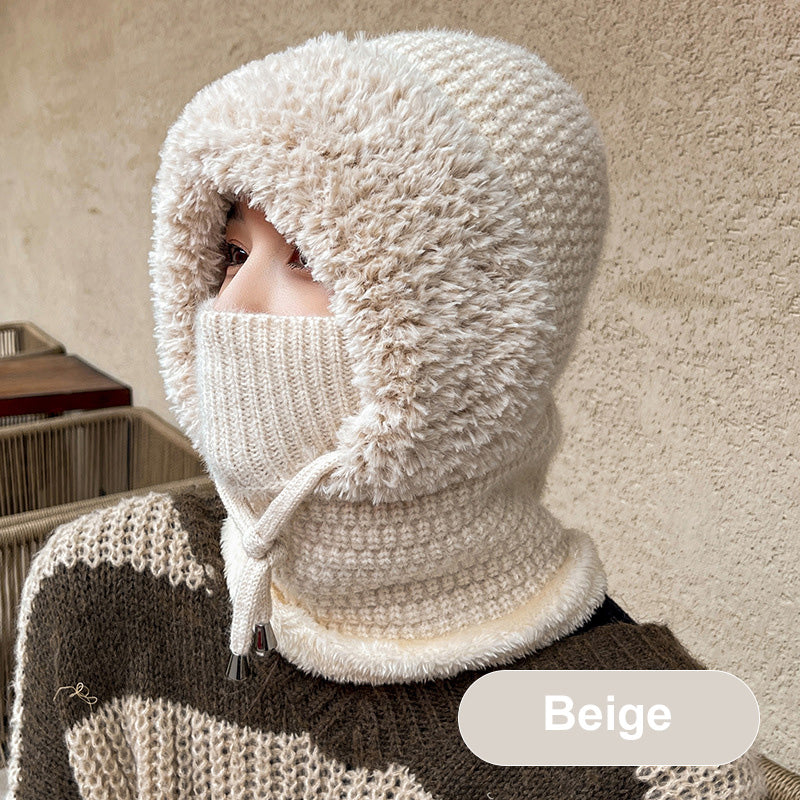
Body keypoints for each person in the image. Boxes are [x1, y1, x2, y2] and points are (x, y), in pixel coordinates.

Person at [5, 28, 769, 799]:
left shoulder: (664, 757)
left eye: (308, 257)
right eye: (233, 253)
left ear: (477, 330)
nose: (227, 307)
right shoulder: (105, 588)